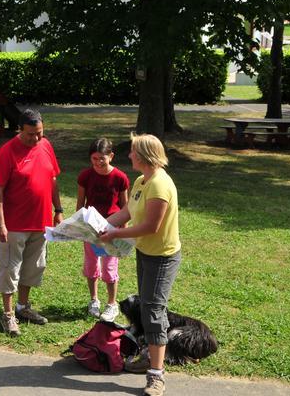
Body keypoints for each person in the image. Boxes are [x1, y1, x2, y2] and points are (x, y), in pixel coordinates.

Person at [100, 134, 180, 396]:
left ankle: (156, 377)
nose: (129, 155)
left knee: (154, 311)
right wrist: (100, 225)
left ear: (145, 155)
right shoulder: (141, 180)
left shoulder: (159, 185)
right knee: (148, 307)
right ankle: (151, 355)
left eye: (133, 152)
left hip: (162, 257)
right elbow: (129, 214)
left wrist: (113, 234)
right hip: (145, 253)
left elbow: (150, 226)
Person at [0, 108, 63, 337]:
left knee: (33, 268)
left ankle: (23, 307)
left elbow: (52, 180)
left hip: (40, 222)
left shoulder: (46, 146)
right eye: (31, 134)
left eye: (39, 133)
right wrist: (0, 223)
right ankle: (8, 314)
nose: (36, 138)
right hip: (14, 224)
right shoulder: (7, 151)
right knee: (10, 269)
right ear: (19, 130)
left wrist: (58, 209)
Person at [76, 138, 129, 322]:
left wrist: (124, 233)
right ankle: (94, 300)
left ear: (111, 156)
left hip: (112, 230)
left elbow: (125, 207)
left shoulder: (120, 178)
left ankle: (111, 303)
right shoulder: (85, 176)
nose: (98, 162)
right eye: (94, 158)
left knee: (109, 267)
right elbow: (80, 205)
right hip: (91, 229)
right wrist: (80, 227)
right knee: (91, 265)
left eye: (102, 158)